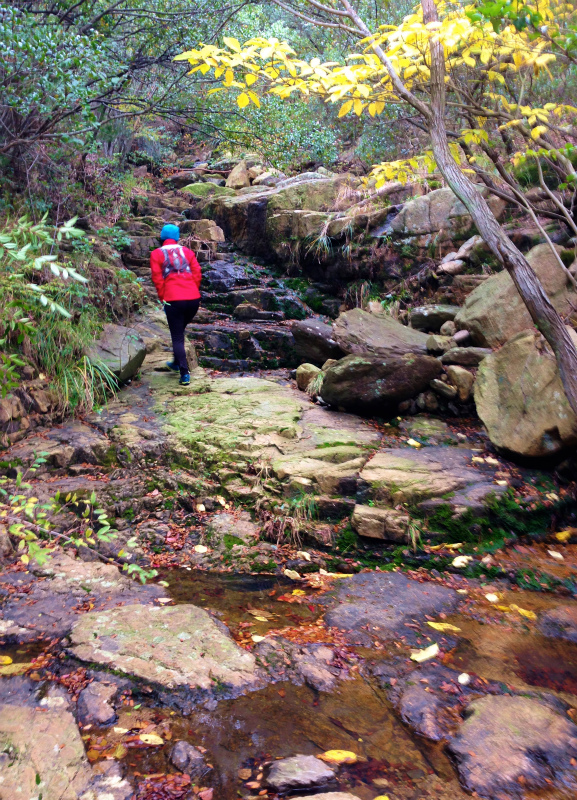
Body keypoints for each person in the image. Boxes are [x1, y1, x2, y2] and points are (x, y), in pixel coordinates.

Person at [150, 224, 201, 386]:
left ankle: (184, 373)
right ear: (178, 237)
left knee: (177, 336)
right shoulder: (188, 252)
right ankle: (175, 361)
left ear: (162, 237)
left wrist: (162, 297)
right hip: (193, 299)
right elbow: (197, 273)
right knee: (179, 331)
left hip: (173, 299)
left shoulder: (156, 254)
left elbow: (157, 279)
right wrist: (193, 290)